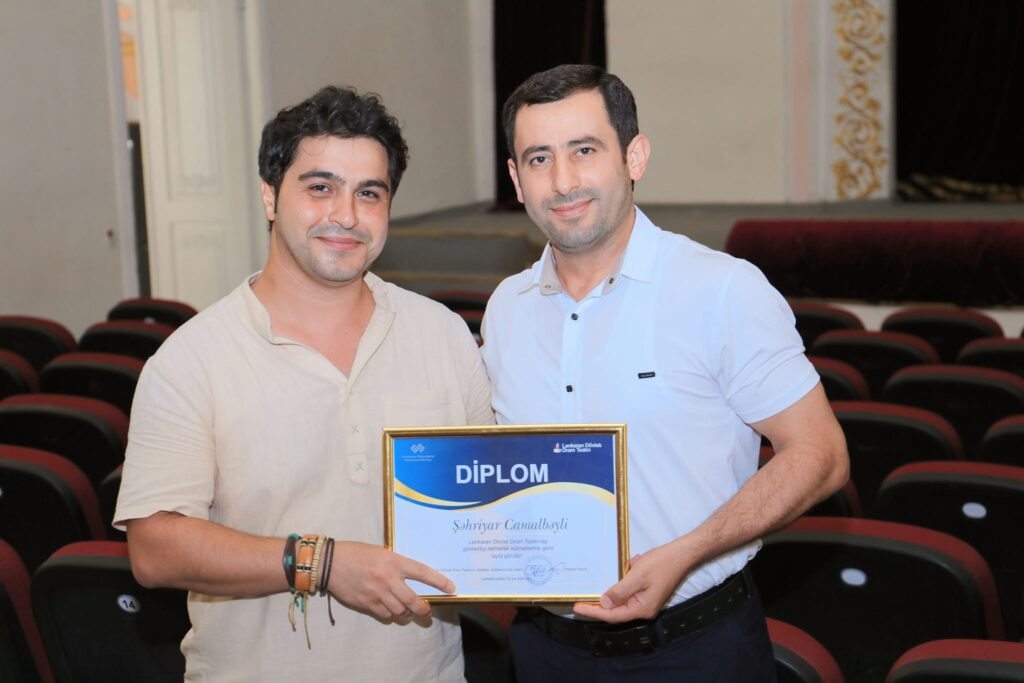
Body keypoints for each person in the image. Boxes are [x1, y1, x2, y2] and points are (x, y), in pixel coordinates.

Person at [481, 64, 849, 681]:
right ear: (517, 181)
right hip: (544, 650)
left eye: (584, 150)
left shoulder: (722, 289)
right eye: (539, 159)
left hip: (695, 648)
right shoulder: (505, 308)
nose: (563, 181)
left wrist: (686, 554)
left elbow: (822, 455)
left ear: (635, 157)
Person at [114, 85, 492, 682]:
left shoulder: (442, 335)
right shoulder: (190, 360)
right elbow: (154, 549)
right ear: (270, 195)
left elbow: (491, 507)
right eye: (320, 188)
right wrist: (323, 563)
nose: (346, 215)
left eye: (369, 193)